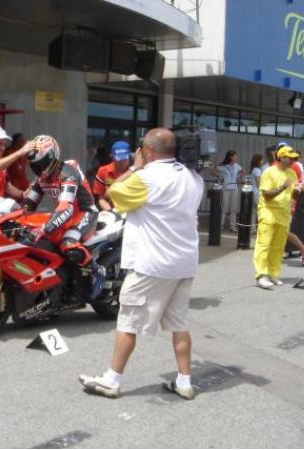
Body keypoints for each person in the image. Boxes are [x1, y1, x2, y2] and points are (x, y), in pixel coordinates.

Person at [78, 128, 204, 400]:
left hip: (152, 264)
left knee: (127, 321)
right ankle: (184, 382)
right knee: (179, 324)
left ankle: (112, 380)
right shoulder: (194, 178)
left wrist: (135, 167)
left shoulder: (145, 178)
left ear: (147, 150)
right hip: (184, 264)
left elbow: (113, 193)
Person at [23, 135, 103, 298]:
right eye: (35, 165)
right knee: (39, 243)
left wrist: (44, 229)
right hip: (64, 215)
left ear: (53, 157)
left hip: (85, 212)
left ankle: (96, 272)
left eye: (42, 163)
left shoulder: (67, 172)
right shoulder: (41, 179)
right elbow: (27, 205)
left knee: (68, 244)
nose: (39, 169)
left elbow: (66, 208)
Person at [254, 145, 304, 289]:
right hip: (268, 212)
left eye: (295, 158)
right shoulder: (269, 172)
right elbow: (267, 196)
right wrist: (283, 187)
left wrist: (298, 191)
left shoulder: (292, 174)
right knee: (264, 244)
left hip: (283, 213)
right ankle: (261, 275)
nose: (293, 160)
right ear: (281, 157)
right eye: (290, 157)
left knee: (278, 246)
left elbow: (294, 196)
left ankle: (273, 273)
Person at [92, 141, 131, 211]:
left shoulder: (136, 172)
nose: (122, 162)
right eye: (119, 159)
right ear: (112, 157)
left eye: (125, 159)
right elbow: (100, 198)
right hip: (110, 210)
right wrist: (112, 212)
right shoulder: (102, 171)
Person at [213, 150, 244, 232]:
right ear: (230, 157)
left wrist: (239, 178)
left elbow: (243, 171)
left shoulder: (237, 166)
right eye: (234, 156)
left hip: (234, 188)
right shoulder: (223, 166)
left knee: (233, 208)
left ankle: (232, 226)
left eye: (236, 156)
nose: (236, 157)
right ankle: (220, 224)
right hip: (225, 188)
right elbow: (213, 171)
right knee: (224, 207)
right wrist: (220, 177)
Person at [249, 154, 264, 234]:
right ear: (258, 161)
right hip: (257, 193)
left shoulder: (253, 170)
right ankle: (260, 228)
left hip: (252, 192)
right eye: (261, 160)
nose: (262, 161)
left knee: (253, 212)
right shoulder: (257, 170)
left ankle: (252, 228)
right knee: (261, 211)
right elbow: (259, 183)